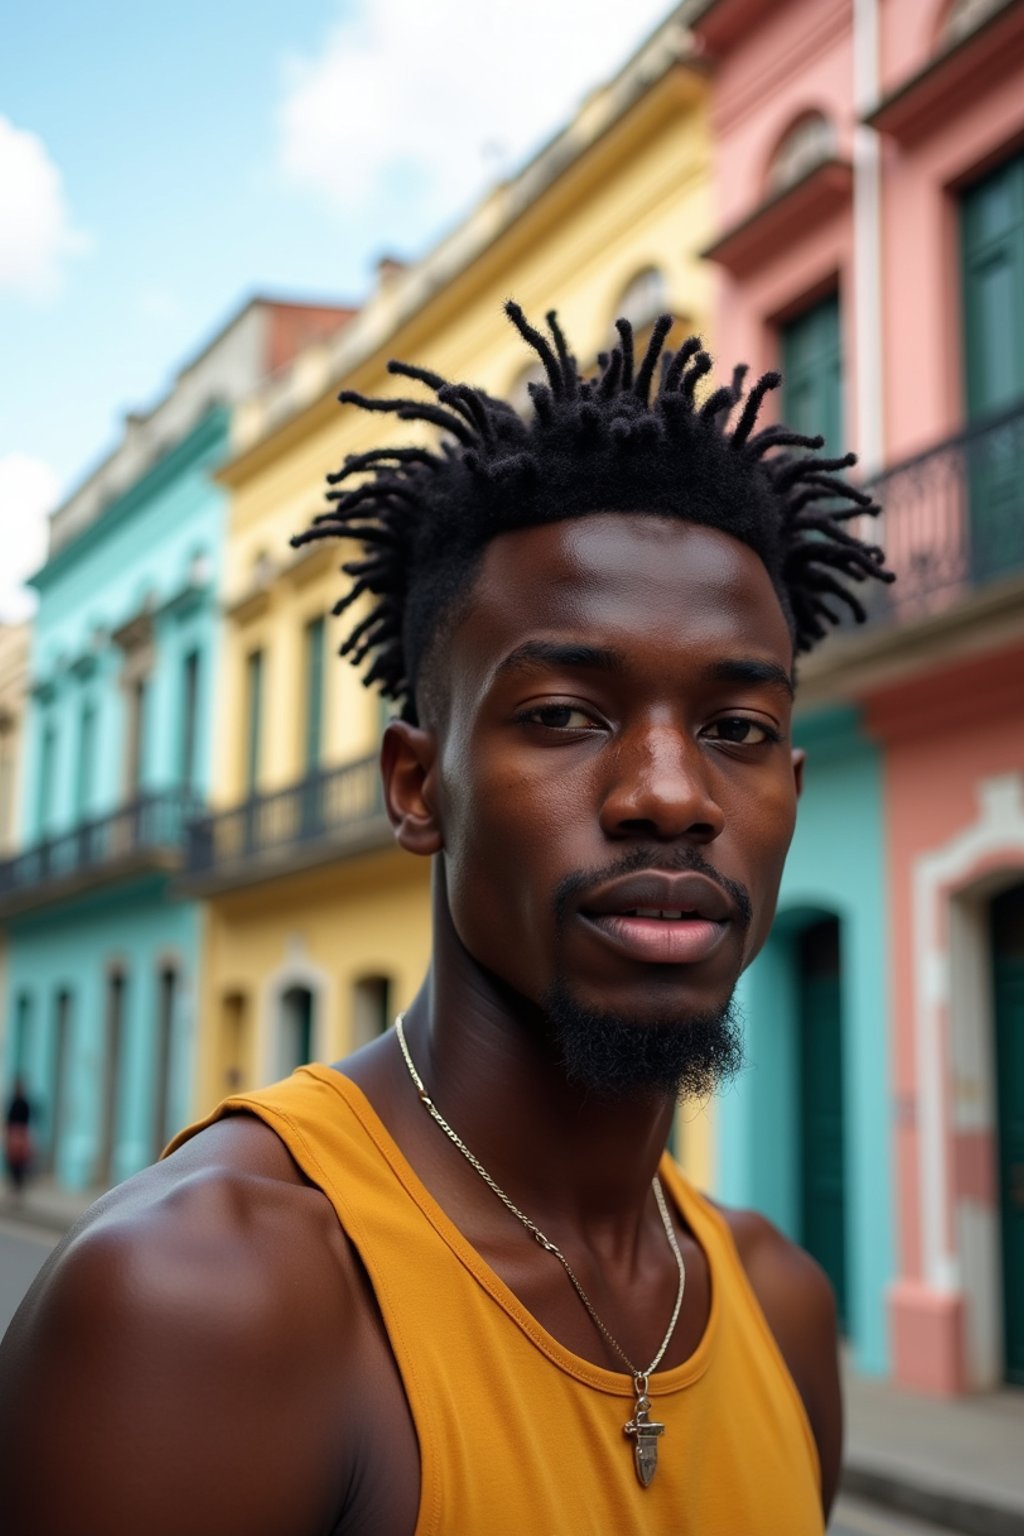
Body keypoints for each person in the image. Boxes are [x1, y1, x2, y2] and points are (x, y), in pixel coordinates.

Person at [0, 305, 892, 1534]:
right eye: (567, 714)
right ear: (417, 787)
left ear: (788, 799)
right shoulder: (203, 1299)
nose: (671, 797)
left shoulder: (776, 1303)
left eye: (736, 730)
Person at [3, 1077, 32, 1199]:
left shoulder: (22, 1103)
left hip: (19, 1133)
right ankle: (15, 1186)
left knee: (19, 1161)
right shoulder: (14, 1102)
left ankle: (18, 1187)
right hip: (15, 1133)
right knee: (13, 1161)